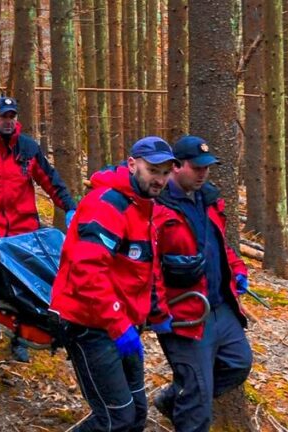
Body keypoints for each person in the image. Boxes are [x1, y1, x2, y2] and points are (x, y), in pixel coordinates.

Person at [49, 137, 177, 431]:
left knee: (136, 415)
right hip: (89, 325)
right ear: (133, 165)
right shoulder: (107, 205)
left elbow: (146, 267)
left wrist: (155, 314)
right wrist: (119, 327)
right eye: (153, 170)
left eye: (165, 172)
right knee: (114, 419)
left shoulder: (145, 207)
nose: (159, 179)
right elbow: (87, 273)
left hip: (122, 324)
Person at [0, 96, 76, 362]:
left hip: (25, 231)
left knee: (23, 286)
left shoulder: (28, 148)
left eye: (12, 116)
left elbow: (50, 181)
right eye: (3, 116)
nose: (8, 121)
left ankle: (19, 339)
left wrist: (69, 207)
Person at [150, 135, 253, 432]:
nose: (204, 173)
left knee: (238, 363)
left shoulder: (208, 199)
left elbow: (221, 246)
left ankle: (175, 398)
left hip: (220, 306)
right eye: (197, 168)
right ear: (176, 166)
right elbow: (147, 265)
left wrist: (237, 271)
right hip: (184, 314)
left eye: (207, 167)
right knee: (198, 409)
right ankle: (189, 400)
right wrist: (158, 312)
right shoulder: (157, 206)